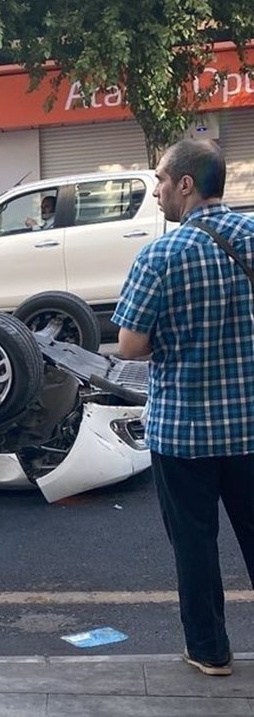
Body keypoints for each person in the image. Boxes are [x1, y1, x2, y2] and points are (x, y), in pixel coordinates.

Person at [112, 139, 254, 677]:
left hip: (185, 432)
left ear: (186, 184)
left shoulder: (161, 255)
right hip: (251, 426)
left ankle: (211, 651)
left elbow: (129, 346)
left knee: (196, 546)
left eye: (161, 181)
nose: (156, 192)